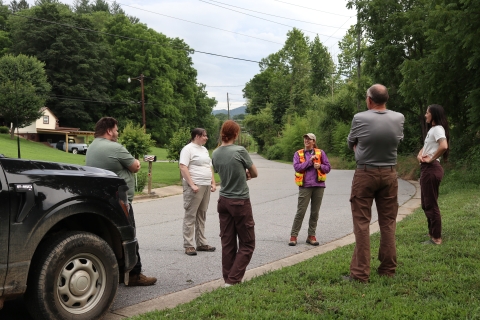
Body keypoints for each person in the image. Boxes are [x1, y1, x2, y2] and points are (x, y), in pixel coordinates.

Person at [86, 117, 157, 286]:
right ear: (109, 130)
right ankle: (134, 274)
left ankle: (114, 272)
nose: (117, 133)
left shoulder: (92, 147)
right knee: (128, 235)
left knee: (111, 237)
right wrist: (136, 162)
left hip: (102, 198)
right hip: (120, 200)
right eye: (116, 130)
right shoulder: (115, 148)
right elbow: (135, 166)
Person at [346, 84, 405, 283]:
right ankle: (388, 268)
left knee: (362, 223)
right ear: (385, 99)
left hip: (365, 173)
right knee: (388, 222)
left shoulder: (359, 118)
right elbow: (396, 141)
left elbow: (351, 143)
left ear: (370, 100)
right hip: (389, 173)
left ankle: (360, 273)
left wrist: (359, 149)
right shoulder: (399, 118)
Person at [211, 120, 258, 287]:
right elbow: (255, 173)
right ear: (236, 134)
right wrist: (245, 173)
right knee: (247, 243)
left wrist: (240, 173)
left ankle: (227, 279)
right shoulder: (240, 150)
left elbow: (225, 171)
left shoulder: (215, 153)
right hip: (240, 201)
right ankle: (233, 280)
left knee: (228, 243)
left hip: (223, 201)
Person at [179, 128, 217, 256]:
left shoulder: (204, 150)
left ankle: (201, 243)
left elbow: (209, 167)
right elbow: (183, 167)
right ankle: (189, 245)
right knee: (191, 215)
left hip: (206, 185)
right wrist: (192, 184)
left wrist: (213, 182)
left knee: (202, 214)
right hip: (194, 186)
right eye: (204, 136)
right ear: (197, 136)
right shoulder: (188, 149)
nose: (206, 138)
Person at [289, 133, 331, 246]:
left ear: (314, 141)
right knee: (301, 211)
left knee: (315, 212)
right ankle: (293, 236)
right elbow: (297, 167)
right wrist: (309, 162)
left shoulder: (320, 153)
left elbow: (328, 168)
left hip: (319, 186)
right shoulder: (298, 154)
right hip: (305, 186)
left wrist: (320, 166)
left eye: (309, 139)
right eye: (305, 139)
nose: (307, 140)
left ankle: (311, 236)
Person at [416, 104, 449, 245]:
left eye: (427, 113)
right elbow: (426, 147)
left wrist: (430, 158)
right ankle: (432, 233)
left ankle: (436, 238)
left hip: (431, 169)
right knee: (425, 203)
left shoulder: (438, 129)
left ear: (433, 115)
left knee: (431, 204)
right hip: (426, 169)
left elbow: (444, 146)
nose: (425, 115)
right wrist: (420, 155)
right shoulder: (433, 130)